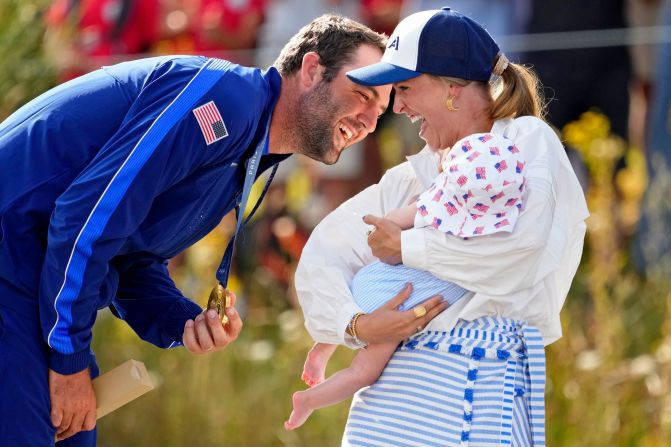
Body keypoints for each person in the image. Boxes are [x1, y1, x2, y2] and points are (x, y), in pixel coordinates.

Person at [0, 14, 390, 446]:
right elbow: (85, 217)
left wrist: (180, 320)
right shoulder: (228, 102)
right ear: (313, 69)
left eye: (380, 110)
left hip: (31, 274)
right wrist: (68, 357)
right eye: (362, 95)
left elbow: (128, 256)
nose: (370, 120)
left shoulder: (249, 145)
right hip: (15, 260)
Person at [295, 8, 589, 445]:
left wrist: (409, 249)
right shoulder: (412, 178)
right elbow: (324, 254)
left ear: (453, 88)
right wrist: (357, 325)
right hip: (391, 401)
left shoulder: (527, 142)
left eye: (407, 89)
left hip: (477, 390)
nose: (399, 107)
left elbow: (519, 253)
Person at [285, 132, 527, 430]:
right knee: (363, 373)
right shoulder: (492, 232)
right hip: (401, 301)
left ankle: (324, 346)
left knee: (356, 308)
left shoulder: (436, 203)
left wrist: (410, 224)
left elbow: (391, 225)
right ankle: (309, 400)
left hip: (378, 278)